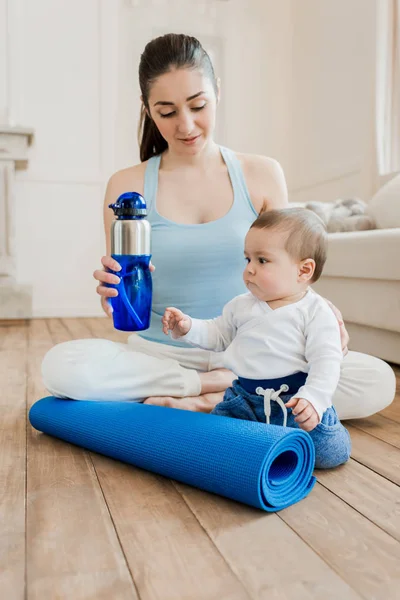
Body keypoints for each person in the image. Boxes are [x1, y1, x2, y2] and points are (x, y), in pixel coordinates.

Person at [41, 33, 395, 419]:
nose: (187, 125)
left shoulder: (261, 173)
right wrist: (111, 295)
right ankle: (216, 391)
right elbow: (122, 299)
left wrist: (321, 315)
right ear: (147, 110)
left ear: (218, 92)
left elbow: (290, 271)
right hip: (161, 356)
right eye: (167, 111)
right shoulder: (126, 186)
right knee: (63, 367)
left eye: (198, 105)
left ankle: (216, 397)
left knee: (376, 379)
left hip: (256, 358)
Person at [162, 207, 352, 468]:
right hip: (244, 401)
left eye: (262, 261)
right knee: (213, 440)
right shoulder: (241, 305)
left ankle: (312, 428)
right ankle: (258, 443)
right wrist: (187, 327)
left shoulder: (316, 312)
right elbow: (218, 334)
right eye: (247, 259)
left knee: (329, 453)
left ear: (304, 271)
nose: (249, 269)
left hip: (294, 401)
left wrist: (314, 400)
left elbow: (326, 361)